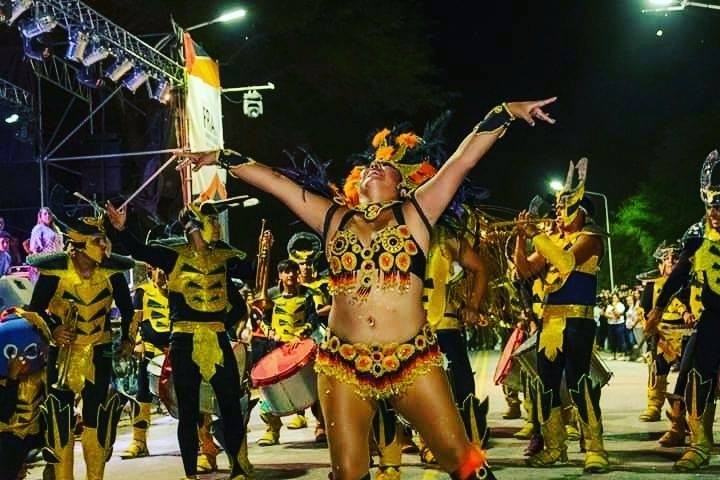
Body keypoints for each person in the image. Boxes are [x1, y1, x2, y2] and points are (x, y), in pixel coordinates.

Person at [191, 97, 556, 480]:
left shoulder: (417, 212)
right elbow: (279, 184)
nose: (375, 166)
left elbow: (462, 161)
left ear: (403, 186)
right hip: (342, 364)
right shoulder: (332, 217)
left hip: (412, 361)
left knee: (458, 456)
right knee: (348, 473)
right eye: (368, 166)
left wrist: (505, 113)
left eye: (386, 166)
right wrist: (221, 156)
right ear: (356, 185)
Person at [106, 199, 252, 480]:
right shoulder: (172, 257)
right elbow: (140, 251)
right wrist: (122, 230)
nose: (215, 228)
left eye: (215, 222)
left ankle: (238, 468)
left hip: (217, 338)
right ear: (193, 226)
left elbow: (243, 281)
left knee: (231, 404)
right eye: (208, 223)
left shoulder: (223, 258)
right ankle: (190, 474)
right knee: (188, 410)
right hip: (184, 340)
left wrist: (227, 324)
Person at [513, 158, 609, 473]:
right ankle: (555, 447)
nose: (558, 211)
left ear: (580, 210)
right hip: (550, 322)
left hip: (578, 321)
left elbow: (566, 263)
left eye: (565, 205)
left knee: (580, 381)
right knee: (547, 385)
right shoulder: (552, 240)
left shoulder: (591, 237)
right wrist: (519, 238)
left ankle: (595, 448)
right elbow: (525, 270)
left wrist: (536, 236)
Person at [26, 209, 134, 480]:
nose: (103, 245)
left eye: (103, 239)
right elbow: (34, 310)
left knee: (96, 416)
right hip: (63, 353)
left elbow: (128, 310)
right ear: (78, 246)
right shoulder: (55, 272)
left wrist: (129, 340)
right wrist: (54, 329)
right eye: (97, 240)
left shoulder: (112, 272)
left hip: (99, 350)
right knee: (59, 418)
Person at [646, 149, 720, 471]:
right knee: (697, 375)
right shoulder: (697, 232)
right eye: (710, 205)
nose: (714, 212)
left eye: (719, 206)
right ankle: (699, 442)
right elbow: (678, 273)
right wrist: (657, 309)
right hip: (713, 317)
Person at [256, 258, 319, 446]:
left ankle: (321, 425)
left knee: (314, 387)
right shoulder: (271, 295)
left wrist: (301, 335)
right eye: (286, 271)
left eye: (293, 270)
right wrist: (270, 332)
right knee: (272, 389)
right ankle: (272, 429)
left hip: (301, 348)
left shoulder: (307, 295)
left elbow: (313, 318)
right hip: (277, 349)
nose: (290, 274)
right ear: (280, 275)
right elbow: (259, 317)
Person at [637, 242, 689, 422]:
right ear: (660, 264)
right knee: (658, 368)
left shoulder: (688, 283)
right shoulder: (653, 284)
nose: (670, 262)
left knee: (689, 372)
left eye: (675, 259)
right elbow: (644, 308)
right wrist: (648, 326)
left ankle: (687, 409)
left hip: (687, 333)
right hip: (662, 335)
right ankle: (654, 405)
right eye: (666, 259)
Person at [0, 308, 50, 480]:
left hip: (36, 433)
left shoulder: (42, 374)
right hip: (8, 437)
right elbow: (4, 411)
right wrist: (12, 378)